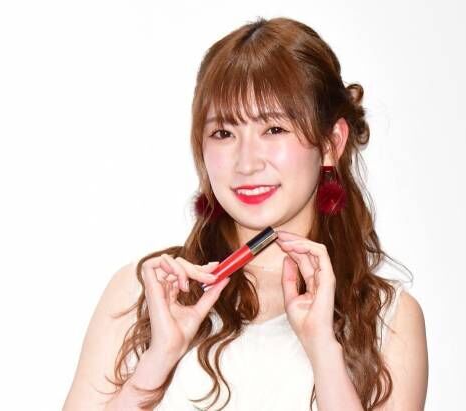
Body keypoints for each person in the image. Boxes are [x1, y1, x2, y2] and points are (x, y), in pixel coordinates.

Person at [63, 16, 428, 411]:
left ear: (330, 143)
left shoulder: (388, 319)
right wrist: (157, 362)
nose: (247, 162)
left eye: (274, 129)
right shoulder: (142, 294)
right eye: (223, 133)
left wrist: (324, 350)